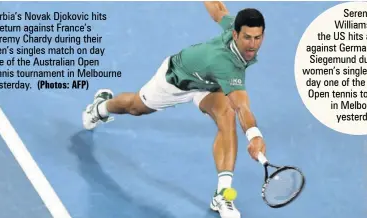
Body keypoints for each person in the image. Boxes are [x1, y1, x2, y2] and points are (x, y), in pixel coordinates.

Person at [82, 1, 266, 218]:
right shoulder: (226, 64)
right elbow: (241, 104)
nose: (252, 45)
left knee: (226, 116)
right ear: (235, 35)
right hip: (175, 80)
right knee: (135, 107)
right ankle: (101, 106)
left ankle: (223, 195)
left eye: (258, 37)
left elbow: (218, 10)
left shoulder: (232, 29)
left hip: (208, 84)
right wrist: (254, 135)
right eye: (247, 37)